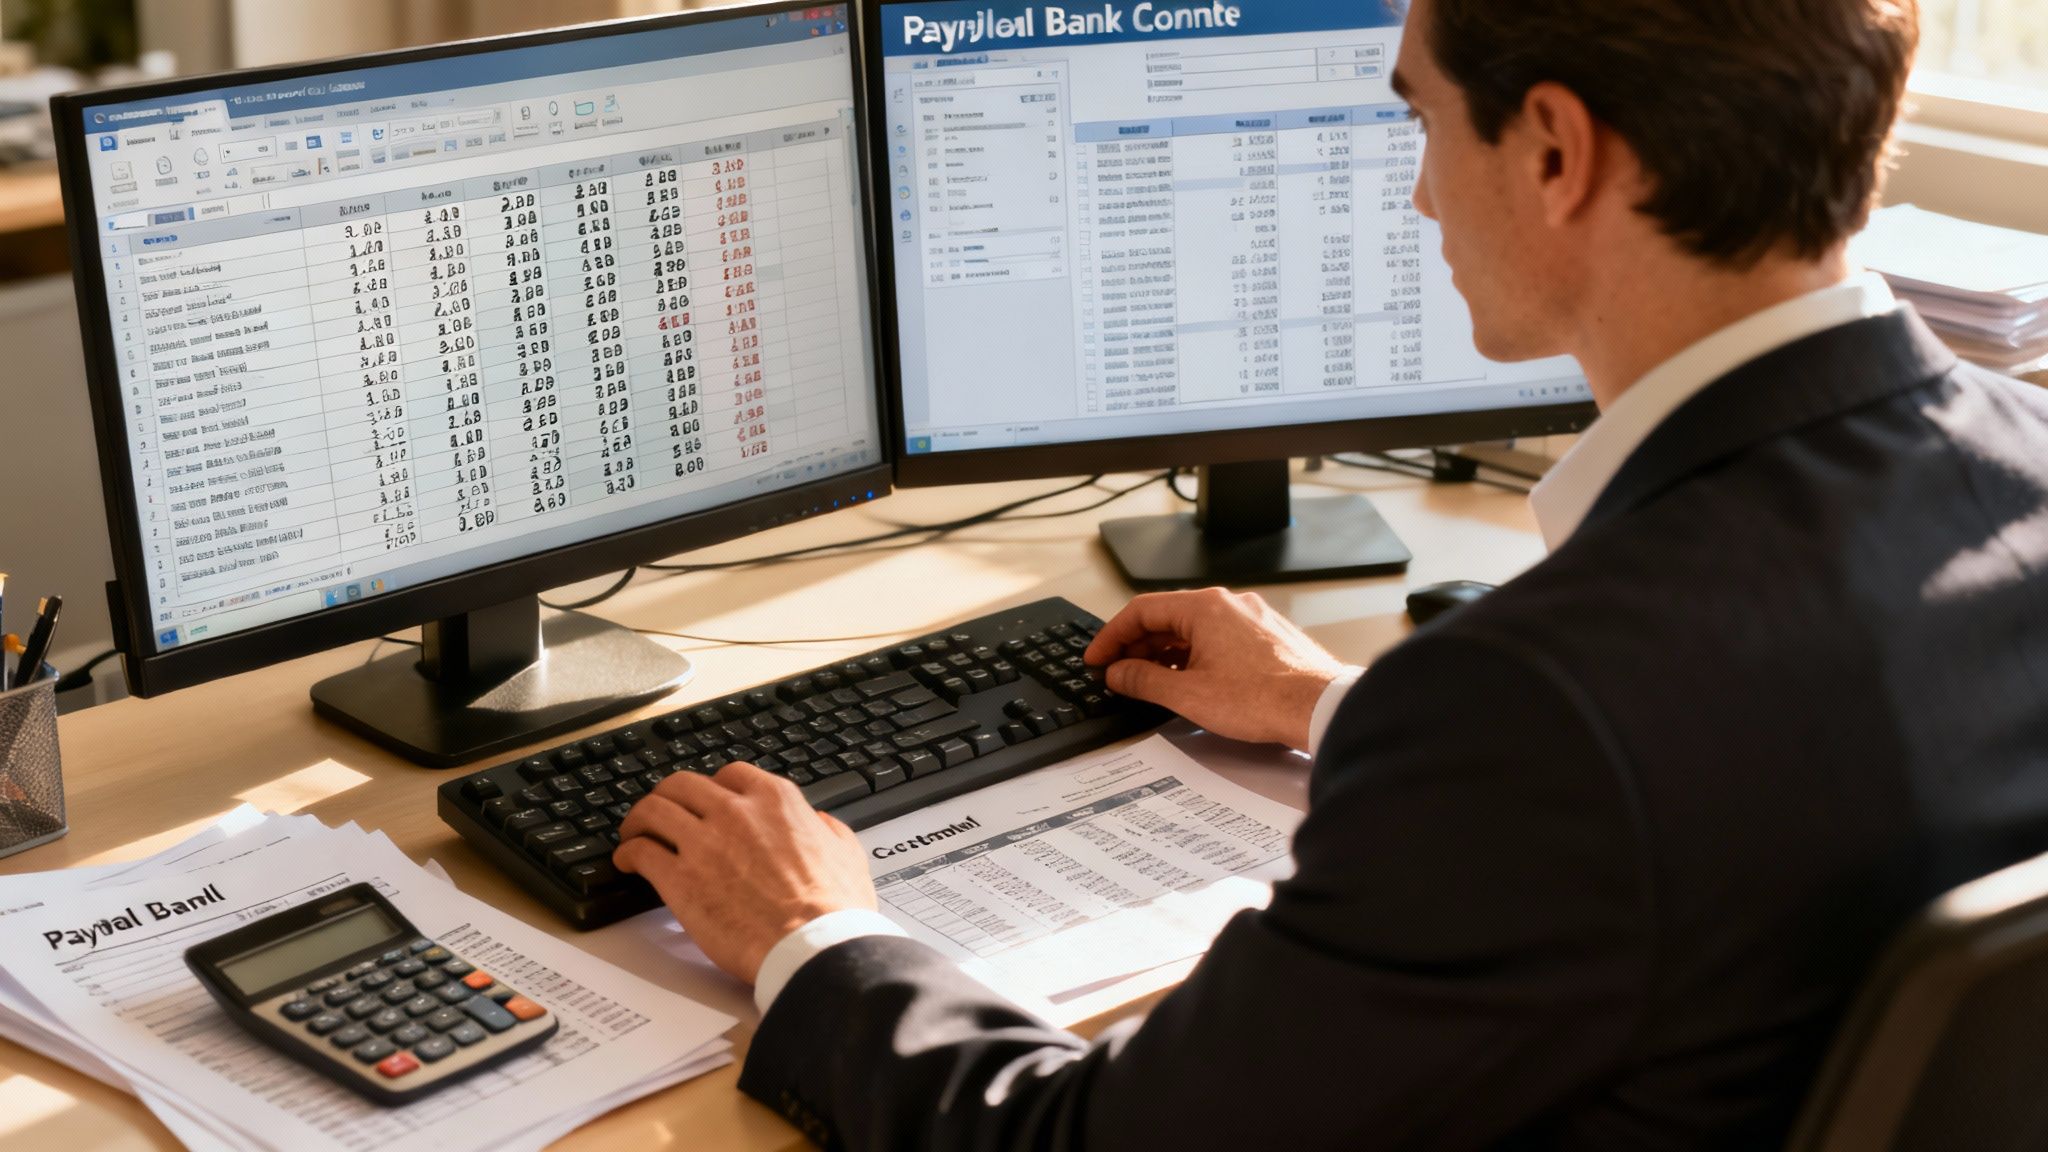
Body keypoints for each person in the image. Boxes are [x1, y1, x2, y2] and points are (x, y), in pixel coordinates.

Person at [612, 0, 2048, 1146]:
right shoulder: (2023, 465)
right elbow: (1753, 792)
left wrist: (818, 935)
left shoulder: (1540, 708)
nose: (1418, 194)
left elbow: (1073, 1141)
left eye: (1419, 114)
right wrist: (1338, 707)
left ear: (1555, 150)